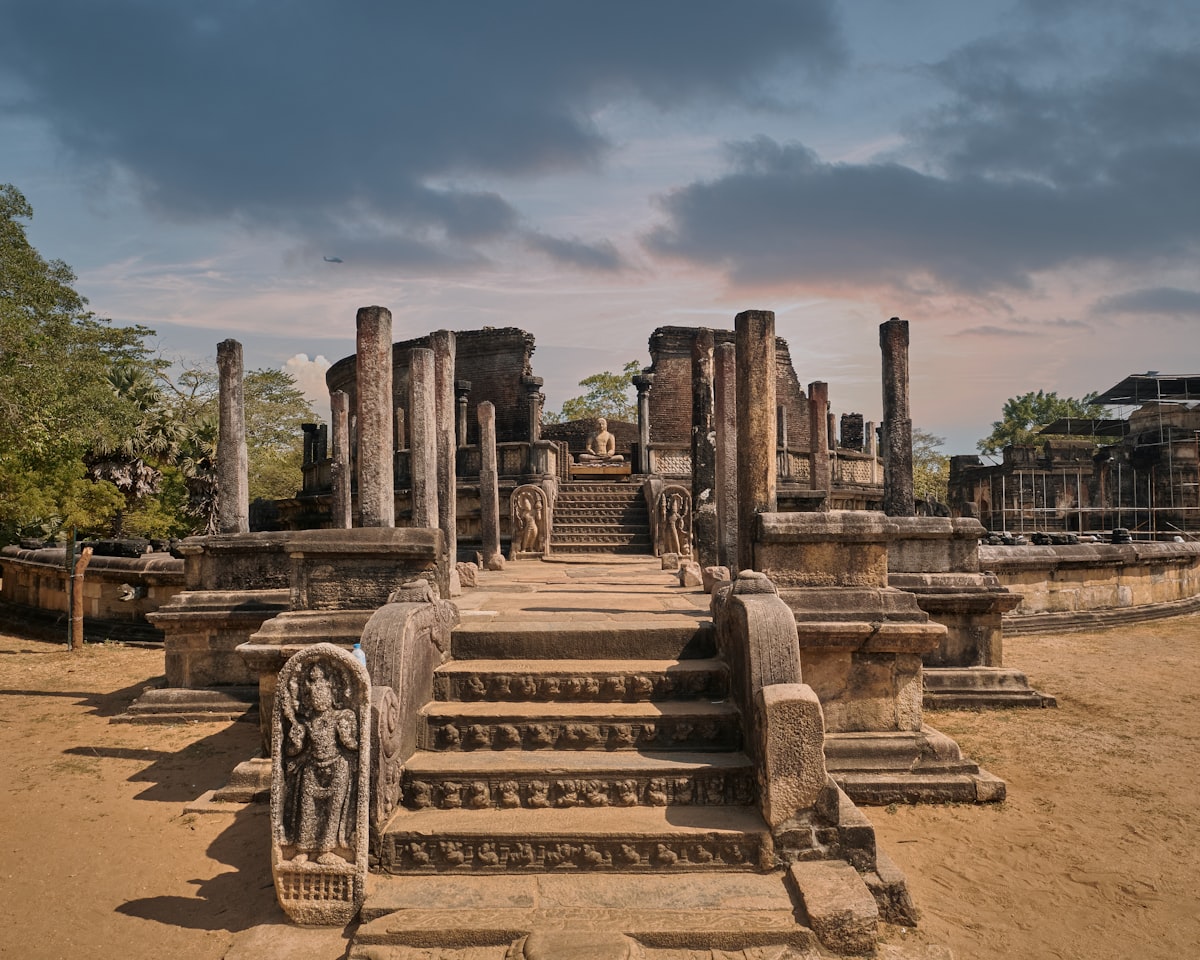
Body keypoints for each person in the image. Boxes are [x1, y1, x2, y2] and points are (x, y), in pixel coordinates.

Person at [283, 662, 359, 864]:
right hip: (311, 768)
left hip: (337, 767)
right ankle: (303, 849)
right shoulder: (306, 721)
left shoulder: (341, 716)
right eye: (315, 696)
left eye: (323, 694)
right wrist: (296, 740)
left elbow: (353, 746)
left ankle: (327, 850)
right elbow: (293, 751)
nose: (320, 700)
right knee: (306, 809)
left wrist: (347, 736)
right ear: (308, 698)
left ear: (332, 695)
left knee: (333, 810)